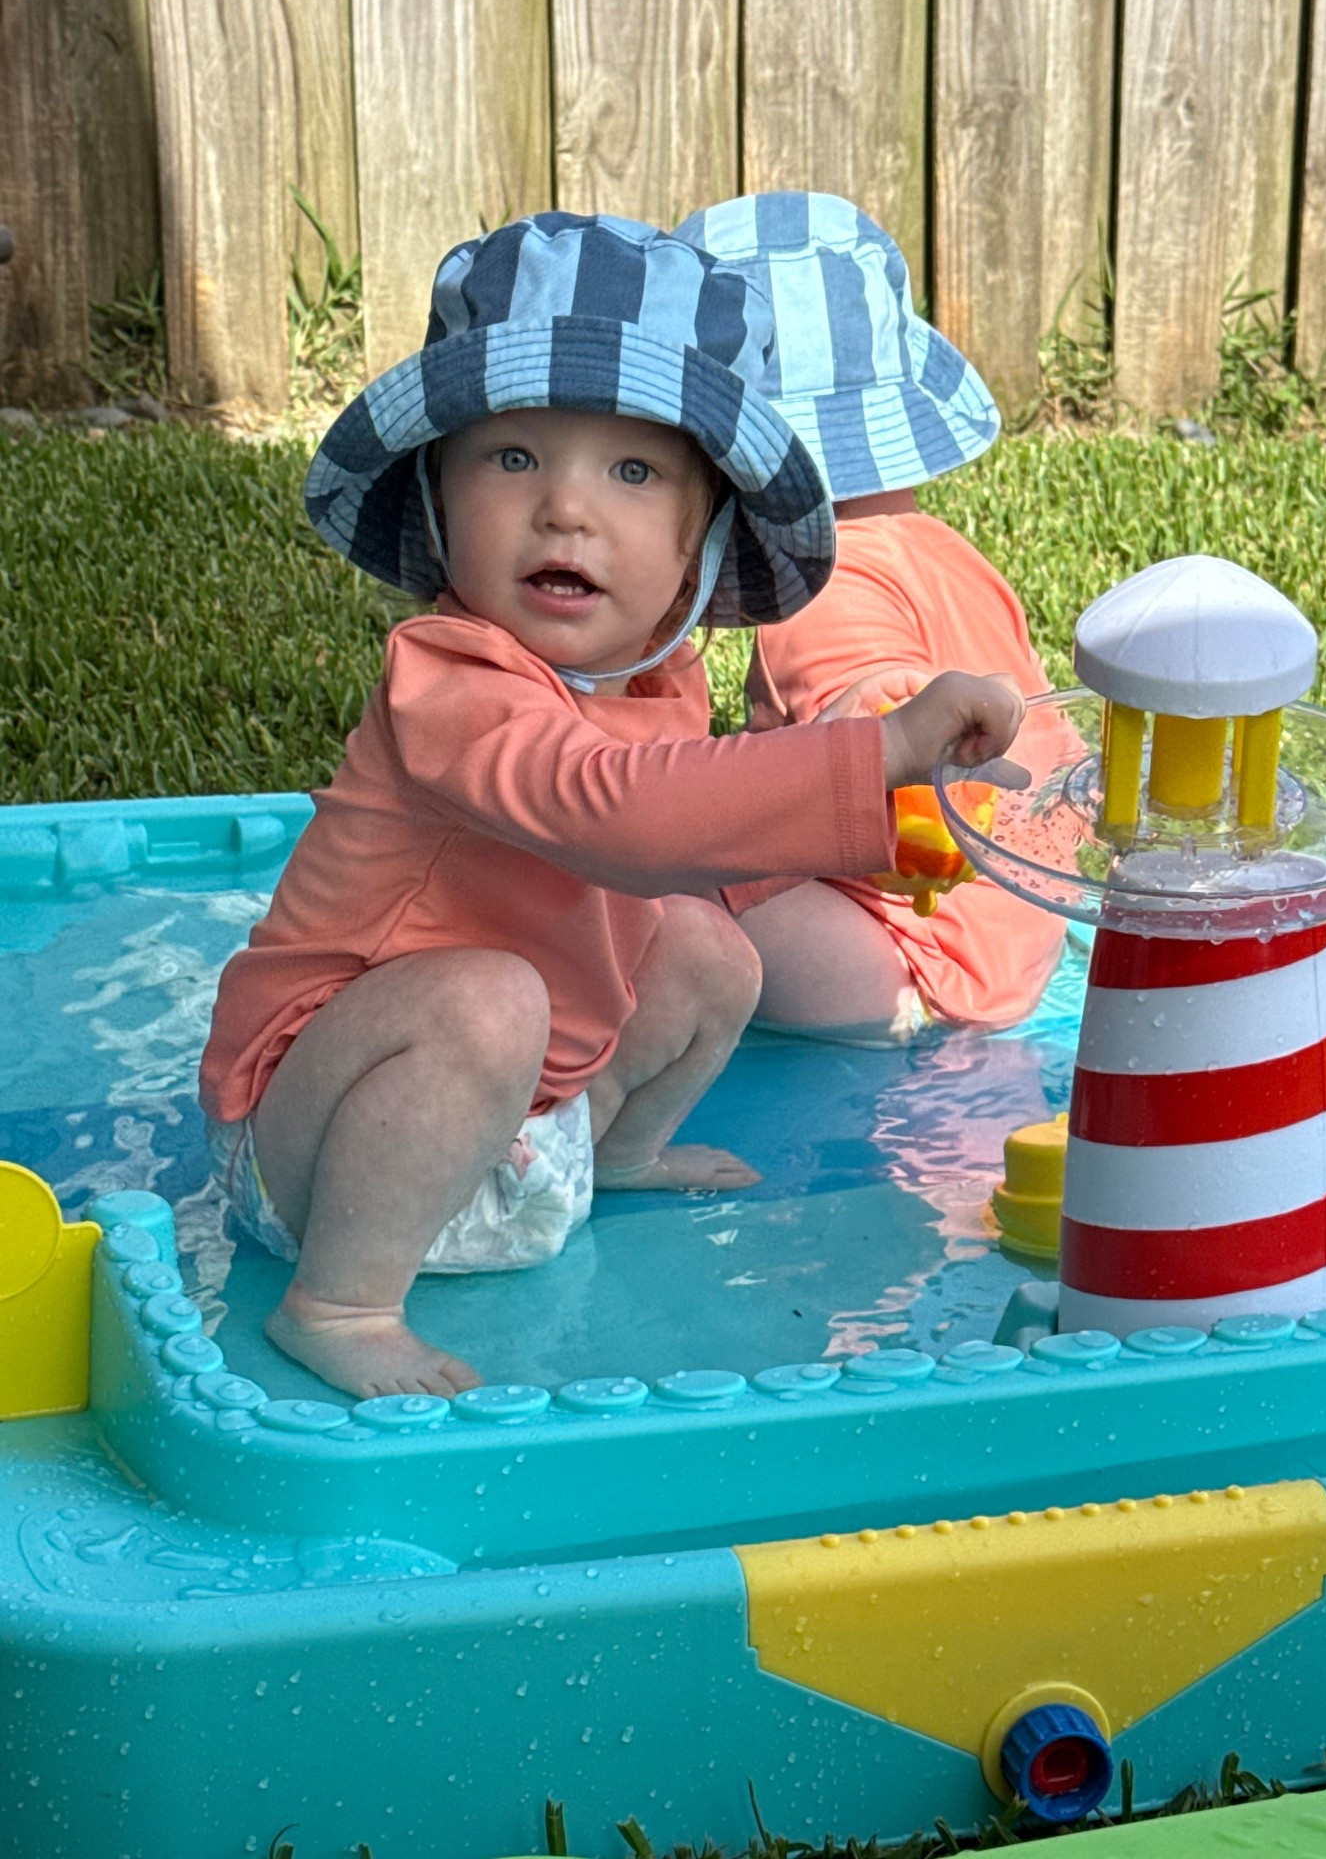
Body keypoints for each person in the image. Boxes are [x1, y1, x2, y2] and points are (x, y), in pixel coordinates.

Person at [198, 213, 1024, 1401]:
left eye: (633, 473)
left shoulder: (655, 679)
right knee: (492, 994)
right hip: (313, 1140)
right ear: (436, 499)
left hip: (512, 1109)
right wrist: (877, 745)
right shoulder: (449, 679)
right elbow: (616, 810)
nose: (567, 511)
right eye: (515, 458)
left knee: (706, 945)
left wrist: (884, 817)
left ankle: (620, 1147)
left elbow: (689, 822)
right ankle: (339, 1301)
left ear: (697, 549)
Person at [672, 191, 1071, 1044]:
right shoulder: (944, 552)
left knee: (655, 884)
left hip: (898, 958)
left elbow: (877, 703)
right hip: (1022, 931)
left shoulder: (822, 585)